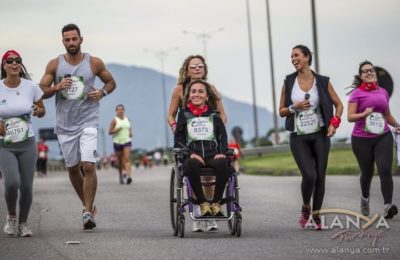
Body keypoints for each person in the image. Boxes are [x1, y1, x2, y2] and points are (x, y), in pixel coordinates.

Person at [39, 24, 116, 229]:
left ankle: (87, 212)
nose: (71, 43)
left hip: (88, 120)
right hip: (65, 125)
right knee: (73, 169)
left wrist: (102, 93)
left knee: (88, 165)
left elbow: (110, 82)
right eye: (67, 39)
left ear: (81, 39)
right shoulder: (55, 65)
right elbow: (42, 90)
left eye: (74, 39)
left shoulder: (94, 63)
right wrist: (56, 87)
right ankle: (87, 205)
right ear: (63, 41)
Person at [278, 45, 343, 230]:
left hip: (321, 134)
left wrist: (334, 124)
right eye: (291, 56)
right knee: (309, 175)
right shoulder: (289, 82)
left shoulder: (322, 81)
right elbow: (281, 111)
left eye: (296, 55)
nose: (293, 59)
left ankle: (316, 216)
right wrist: (294, 107)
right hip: (298, 136)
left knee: (320, 177)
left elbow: (339, 105)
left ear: (307, 57)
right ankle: (306, 206)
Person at [167, 55, 227, 232]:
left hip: (208, 140)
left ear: (204, 69)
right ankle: (197, 211)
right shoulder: (179, 90)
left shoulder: (211, 89)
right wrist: (177, 128)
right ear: (187, 69)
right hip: (188, 139)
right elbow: (171, 114)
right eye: (193, 67)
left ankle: (211, 208)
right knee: (192, 168)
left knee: (210, 177)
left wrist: (216, 127)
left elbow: (222, 115)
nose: (196, 69)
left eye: (200, 66)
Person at [0, 50, 46, 237]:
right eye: (9, 61)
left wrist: (38, 110)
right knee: (11, 183)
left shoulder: (31, 86)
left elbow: (42, 109)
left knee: (26, 186)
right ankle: (11, 216)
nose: (14, 64)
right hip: (4, 145)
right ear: (4, 65)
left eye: (17, 61)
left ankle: (23, 223)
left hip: (27, 143)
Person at [347, 61, 399, 219]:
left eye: (371, 71)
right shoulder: (356, 94)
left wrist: (396, 124)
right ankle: (365, 198)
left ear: (375, 73)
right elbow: (350, 117)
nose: (369, 73)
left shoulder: (383, 92)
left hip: (382, 136)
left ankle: (388, 205)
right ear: (361, 76)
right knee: (367, 173)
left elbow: (387, 115)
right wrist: (363, 114)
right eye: (365, 71)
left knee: (384, 169)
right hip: (361, 139)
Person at [174, 79, 229, 222]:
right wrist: (190, 153)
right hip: (193, 154)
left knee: (223, 163)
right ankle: (203, 203)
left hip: (212, 154)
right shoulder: (184, 115)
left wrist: (222, 152)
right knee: (191, 165)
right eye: (193, 91)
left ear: (207, 96)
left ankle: (216, 203)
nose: (196, 94)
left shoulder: (214, 115)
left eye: (200, 91)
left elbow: (222, 136)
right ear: (189, 95)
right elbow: (178, 138)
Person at [108, 104, 133, 185]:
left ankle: (129, 176)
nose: (120, 111)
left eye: (122, 109)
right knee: (119, 161)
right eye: (118, 109)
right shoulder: (114, 120)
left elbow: (129, 127)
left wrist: (130, 133)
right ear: (116, 111)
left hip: (127, 141)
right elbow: (109, 132)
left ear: (124, 110)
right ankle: (121, 175)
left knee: (127, 158)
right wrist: (116, 130)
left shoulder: (127, 119)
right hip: (117, 142)